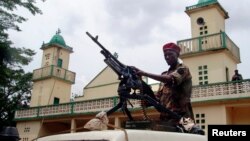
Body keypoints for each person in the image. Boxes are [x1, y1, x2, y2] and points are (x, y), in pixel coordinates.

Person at [132, 42, 194, 131]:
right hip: (166, 119)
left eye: (170, 54)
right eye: (165, 55)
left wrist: (145, 73)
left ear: (177, 54)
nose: (167, 57)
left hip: (182, 118)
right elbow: (158, 99)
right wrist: (147, 101)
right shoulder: (164, 75)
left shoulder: (183, 69)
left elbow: (170, 79)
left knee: (193, 135)